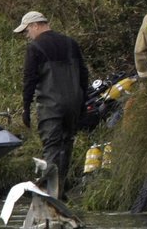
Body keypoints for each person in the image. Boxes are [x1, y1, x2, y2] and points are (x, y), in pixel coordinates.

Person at [15, 11, 88, 195]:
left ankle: (50, 194)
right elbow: (84, 74)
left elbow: (29, 79)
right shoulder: (71, 43)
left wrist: (25, 108)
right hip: (73, 105)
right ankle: (60, 191)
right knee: (66, 146)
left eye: (26, 31)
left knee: (52, 148)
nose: (27, 35)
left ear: (35, 26)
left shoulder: (35, 48)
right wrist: (82, 102)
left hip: (50, 107)